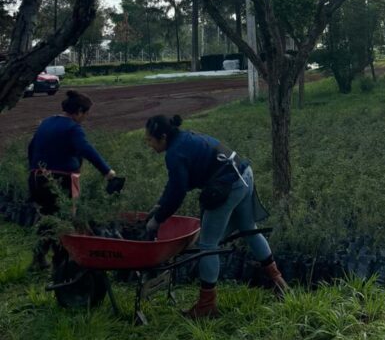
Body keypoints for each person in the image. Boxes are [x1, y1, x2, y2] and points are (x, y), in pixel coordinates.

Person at [143, 114, 287, 318]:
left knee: (208, 245)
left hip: (228, 184)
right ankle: (279, 282)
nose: (148, 144)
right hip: (244, 172)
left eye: (149, 139)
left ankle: (206, 305)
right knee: (249, 229)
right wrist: (160, 205)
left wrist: (157, 221)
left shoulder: (174, 153)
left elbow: (177, 192)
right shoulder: (187, 138)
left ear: (163, 137)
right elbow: (176, 183)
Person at [27, 89, 123, 267]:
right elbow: (85, 149)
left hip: (36, 178)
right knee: (63, 217)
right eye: (85, 114)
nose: (85, 118)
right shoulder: (73, 128)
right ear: (79, 111)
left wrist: (34, 169)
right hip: (59, 179)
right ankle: (60, 261)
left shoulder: (46, 122)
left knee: (46, 216)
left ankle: (38, 258)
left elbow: (31, 147)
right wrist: (107, 171)